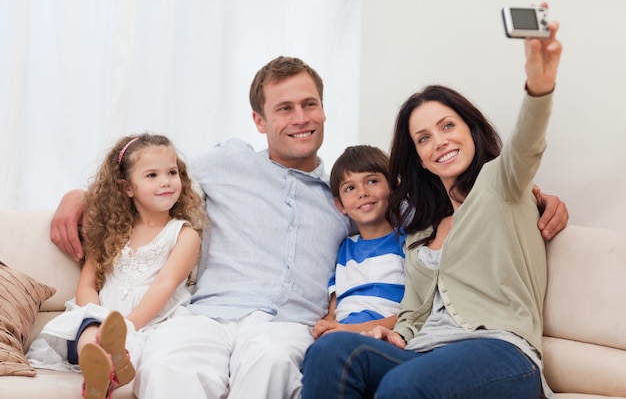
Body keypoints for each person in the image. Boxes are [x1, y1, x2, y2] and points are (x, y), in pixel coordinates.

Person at [49, 56, 568, 399]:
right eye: (284, 108)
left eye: (309, 104)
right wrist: (79, 195)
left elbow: (508, 171)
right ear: (260, 121)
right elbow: (148, 170)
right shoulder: (224, 164)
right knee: (174, 363)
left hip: (292, 328)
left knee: (280, 358)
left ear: (324, 110)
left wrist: (535, 198)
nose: (300, 117)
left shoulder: (348, 198)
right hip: (212, 315)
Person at [301, 9, 563, 399]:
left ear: (470, 130)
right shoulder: (419, 228)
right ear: (419, 158)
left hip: (502, 351)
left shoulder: (502, 184)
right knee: (330, 350)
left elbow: (527, 145)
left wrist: (539, 87)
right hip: (423, 351)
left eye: (447, 126)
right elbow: (413, 315)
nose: (438, 141)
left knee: (402, 386)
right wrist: (394, 332)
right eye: (423, 138)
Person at [27, 133, 206, 399]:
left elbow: (165, 285)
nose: (166, 181)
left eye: (172, 172)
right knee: (88, 328)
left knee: (147, 346)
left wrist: (127, 326)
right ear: (126, 188)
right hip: (103, 318)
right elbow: (88, 284)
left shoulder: (183, 235)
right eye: (152, 175)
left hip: (150, 322)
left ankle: (114, 362)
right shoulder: (111, 232)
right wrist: (99, 317)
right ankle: (101, 370)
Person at [313, 145, 405, 340]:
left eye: (372, 181)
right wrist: (327, 323)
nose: (362, 192)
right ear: (340, 206)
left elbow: (414, 313)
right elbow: (335, 307)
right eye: (350, 188)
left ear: (393, 187)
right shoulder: (344, 248)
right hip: (344, 334)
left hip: (384, 334)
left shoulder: (408, 243)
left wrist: (355, 329)